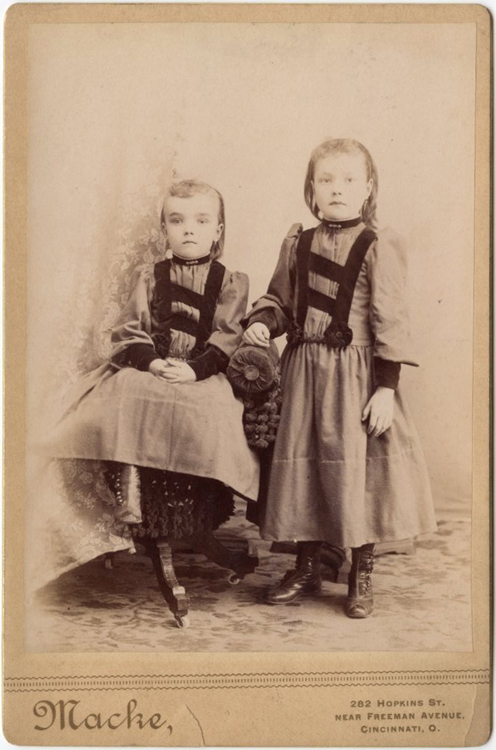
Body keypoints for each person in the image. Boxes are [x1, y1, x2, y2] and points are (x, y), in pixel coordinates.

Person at [242, 138, 436, 618]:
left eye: (349, 179)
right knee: (306, 469)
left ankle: (360, 571)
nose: (337, 189)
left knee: (357, 473)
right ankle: (307, 566)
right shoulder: (298, 242)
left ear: (368, 187)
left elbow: (390, 319)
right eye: (326, 179)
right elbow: (280, 300)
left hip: (356, 378)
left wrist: (386, 388)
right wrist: (265, 321)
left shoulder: (378, 244)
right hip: (303, 374)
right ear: (311, 188)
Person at [44, 179, 259, 542]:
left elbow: (228, 334)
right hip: (155, 366)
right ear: (164, 229)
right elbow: (130, 327)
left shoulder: (230, 282)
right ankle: (129, 483)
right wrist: (153, 364)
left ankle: (195, 503)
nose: (188, 229)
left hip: (202, 370)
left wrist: (193, 370)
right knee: (125, 389)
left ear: (218, 230)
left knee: (215, 405)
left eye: (201, 221)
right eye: (177, 220)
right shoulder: (150, 277)